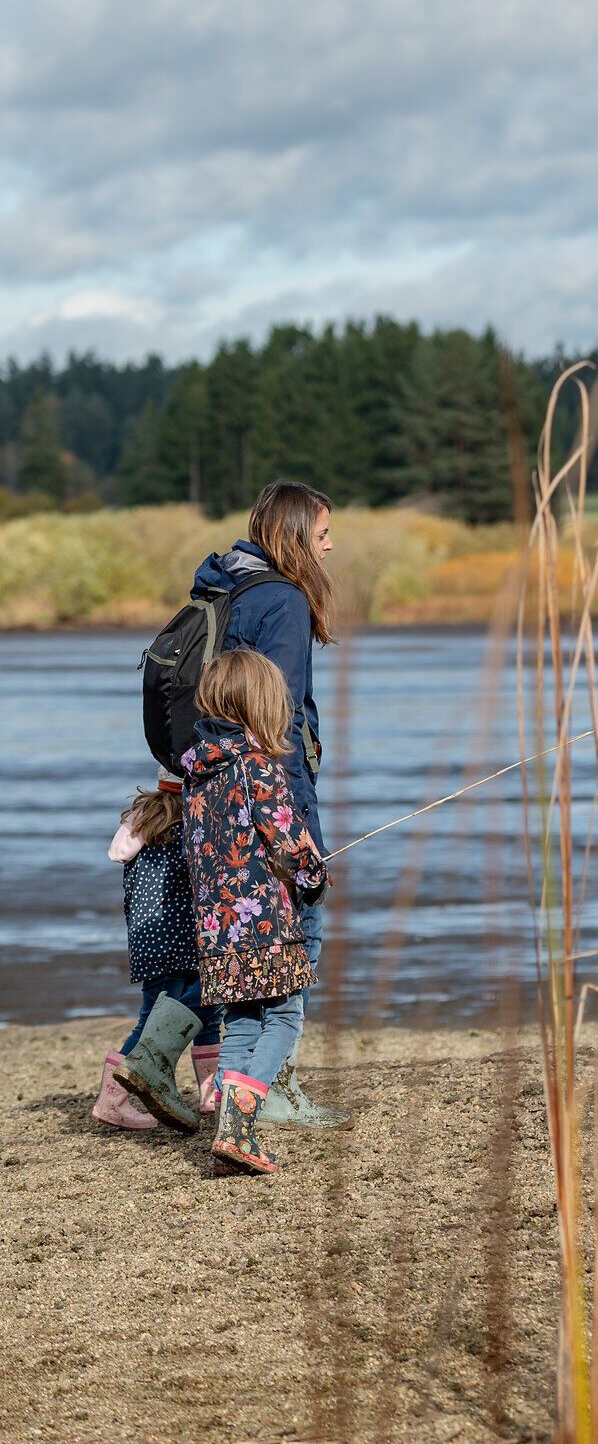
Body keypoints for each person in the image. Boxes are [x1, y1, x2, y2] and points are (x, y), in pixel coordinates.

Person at [190, 480, 347, 1129]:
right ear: (294, 538)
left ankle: (233, 1088)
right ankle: (268, 1091)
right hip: (272, 794)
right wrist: (299, 838)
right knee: (295, 952)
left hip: (218, 798)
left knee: (242, 984)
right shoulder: (282, 599)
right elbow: (274, 719)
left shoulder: (225, 586)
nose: (330, 546)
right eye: (323, 534)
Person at [182, 648, 328, 1176]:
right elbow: (289, 843)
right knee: (285, 1017)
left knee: (241, 1023)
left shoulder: (198, 773)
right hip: (264, 923)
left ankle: (228, 1135)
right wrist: (315, 877)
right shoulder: (257, 767)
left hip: (217, 931)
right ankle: (240, 1127)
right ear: (262, 707)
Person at [101, 772, 222, 1133]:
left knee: (155, 1013)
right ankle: (111, 1101)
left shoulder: (141, 824)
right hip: (185, 939)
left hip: (147, 940)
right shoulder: (190, 824)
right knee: (202, 1010)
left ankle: (207, 1095)